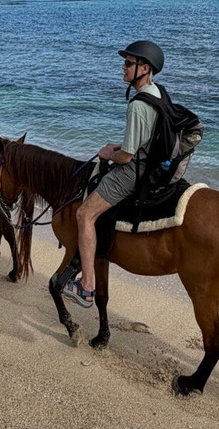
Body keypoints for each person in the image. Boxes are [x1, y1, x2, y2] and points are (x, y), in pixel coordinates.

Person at [62, 40, 164, 308]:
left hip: (134, 171)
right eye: (125, 63)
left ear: (144, 68)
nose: (123, 68)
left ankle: (86, 287)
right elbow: (145, 138)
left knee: (84, 214)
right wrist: (121, 146)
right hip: (150, 161)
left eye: (129, 64)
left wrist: (109, 153)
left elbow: (127, 157)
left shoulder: (138, 105)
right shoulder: (158, 93)